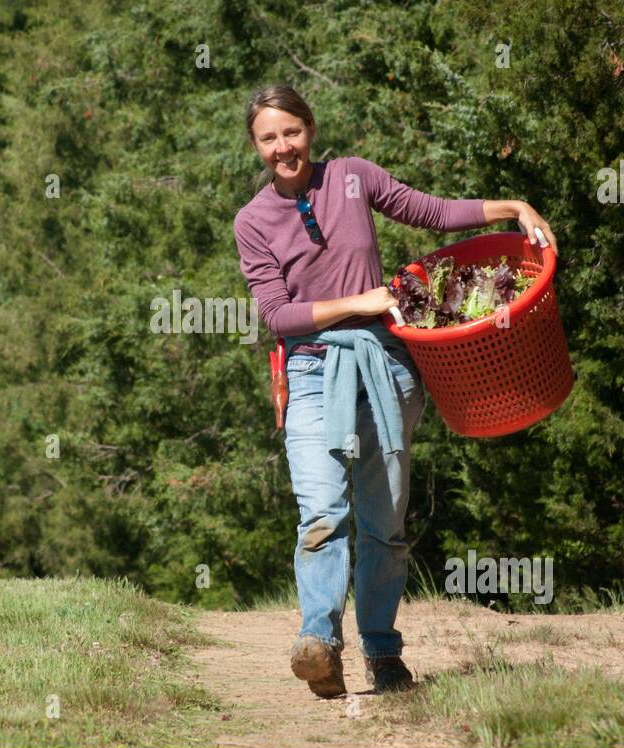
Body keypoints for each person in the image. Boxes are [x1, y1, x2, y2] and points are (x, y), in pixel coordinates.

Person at [232, 84, 558, 697]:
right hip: (309, 374)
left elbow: (431, 211)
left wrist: (512, 206)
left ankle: (383, 652)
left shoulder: (354, 178)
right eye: (268, 138)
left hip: (386, 367)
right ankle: (319, 642)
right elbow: (278, 316)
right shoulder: (252, 222)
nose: (283, 147)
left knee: (383, 523)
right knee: (322, 513)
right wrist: (361, 301)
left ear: (311, 128)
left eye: (291, 131)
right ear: (256, 146)